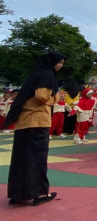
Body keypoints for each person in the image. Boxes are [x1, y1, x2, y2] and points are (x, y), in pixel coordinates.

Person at [5, 51, 65, 206]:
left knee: (21, 158)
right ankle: (39, 193)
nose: (60, 66)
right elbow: (42, 97)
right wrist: (56, 97)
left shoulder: (35, 74)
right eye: (59, 62)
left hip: (24, 121)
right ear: (51, 63)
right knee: (37, 158)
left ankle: (17, 193)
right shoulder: (47, 75)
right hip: (38, 121)